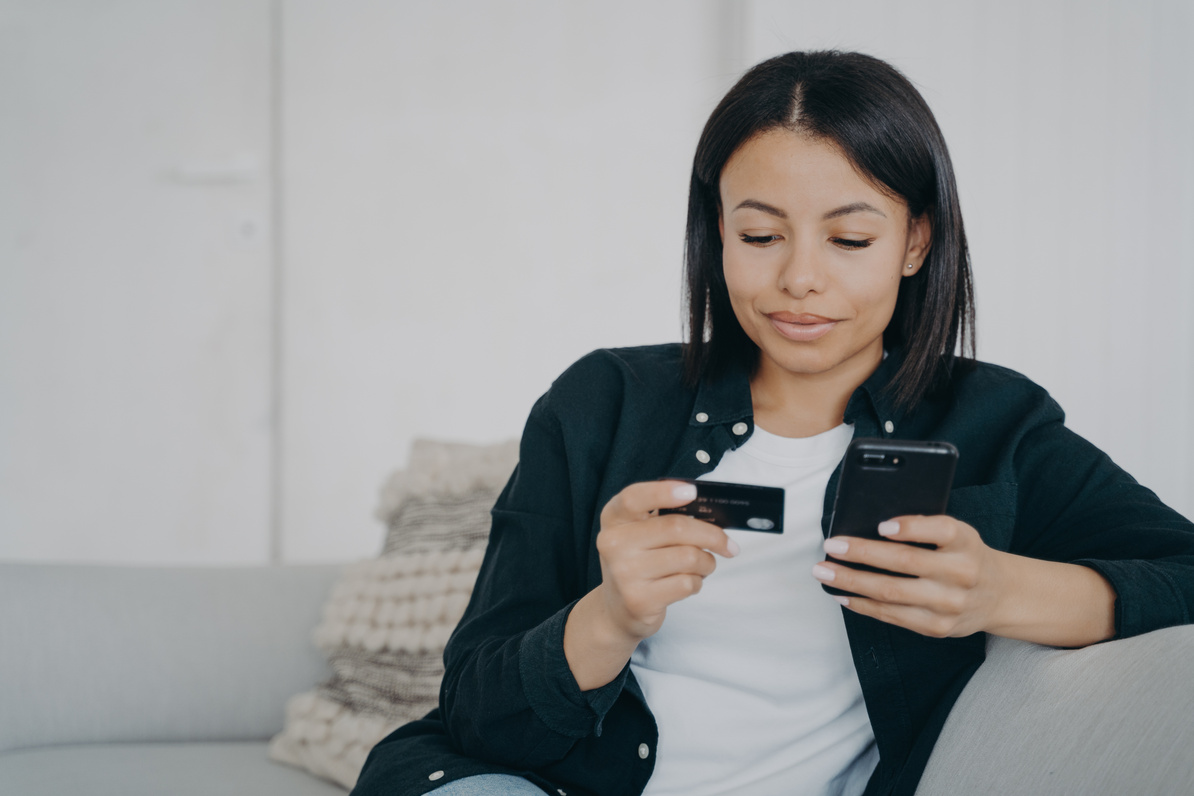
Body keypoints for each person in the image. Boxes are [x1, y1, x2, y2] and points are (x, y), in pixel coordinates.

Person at [351, 50, 1194, 796]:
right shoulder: (601, 400)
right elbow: (476, 712)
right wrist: (609, 617)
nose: (799, 279)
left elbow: (1183, 569)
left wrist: (1000, 591)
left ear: (915, 242)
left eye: (849, 241)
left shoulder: (994, 421)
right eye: (760, 234)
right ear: (717, 231)